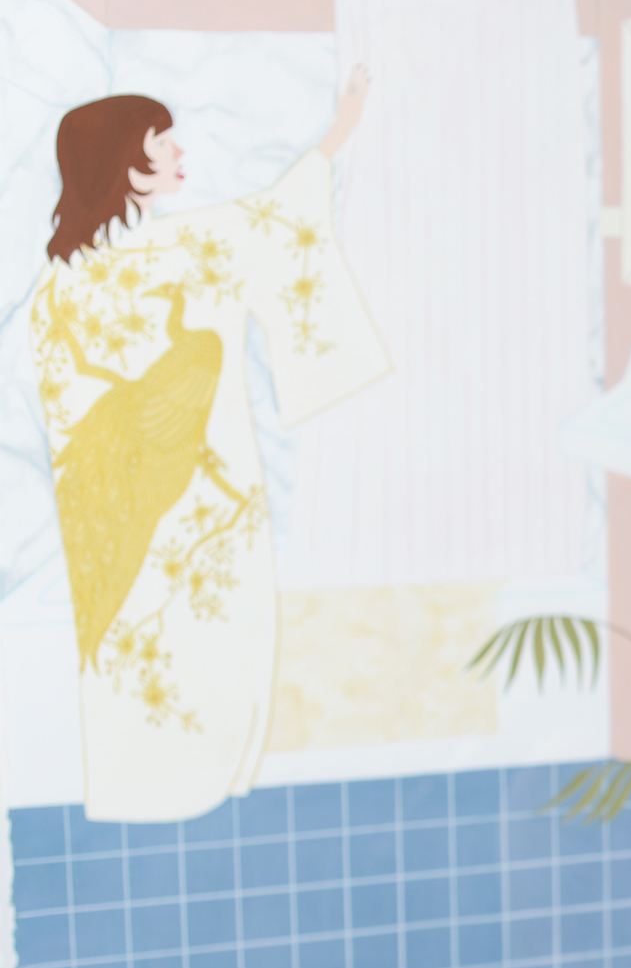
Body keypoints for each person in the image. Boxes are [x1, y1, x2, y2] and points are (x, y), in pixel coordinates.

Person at [31, 66, 389, 822]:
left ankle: (191, 766)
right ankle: (147, 776)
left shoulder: (135, 264)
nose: (178, 152)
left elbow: (269, 218)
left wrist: (339, 130)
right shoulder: (132, 269)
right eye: (163, 142)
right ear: (128, 164)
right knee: (145, 634)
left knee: (210, 634)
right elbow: (277, 222)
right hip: (159, 496)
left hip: (204, 493)